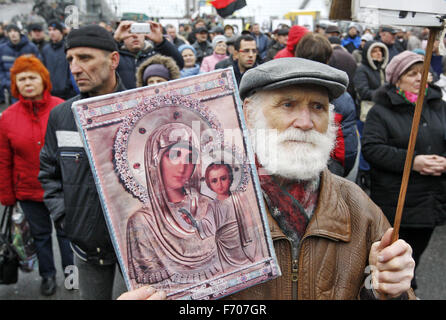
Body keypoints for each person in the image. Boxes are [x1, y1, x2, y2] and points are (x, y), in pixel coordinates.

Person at [121, 57, 416, 300]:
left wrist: (387, 291)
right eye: (288, 104)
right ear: (248, 114)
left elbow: (393, 291)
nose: (305, 122)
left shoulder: (357, 207)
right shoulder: (206, 206)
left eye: (318, 107)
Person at [39, 25, 126, 300]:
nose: (75, 68)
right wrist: (67, 219)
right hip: (86, 247)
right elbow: (48, 173)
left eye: (85, 58)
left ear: (113, 60)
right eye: (70, 60)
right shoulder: (62, 116)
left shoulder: (141, 108)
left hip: (139, 250)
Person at [361, 50, 446, 290]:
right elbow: (372, 149)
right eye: (412, 73)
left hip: (431, 200)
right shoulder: (381, 111)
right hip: (397, 201)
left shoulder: (439, 106)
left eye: (424, 73)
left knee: (413, 260)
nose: (421, 78)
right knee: (391, 264)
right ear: (396, 79)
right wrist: (413, 161)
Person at [0, 55, 73, 296]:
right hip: (29, 191)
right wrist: (7, 194)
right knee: (41, 236)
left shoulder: (62, 107)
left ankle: (72, 276)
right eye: (21, 79)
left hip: (62, 189)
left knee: (67, 234)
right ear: (15, 84)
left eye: (32, 77)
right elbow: (4, 160)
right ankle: (48, 276)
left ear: (43, 79)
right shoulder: (7, 117)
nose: (27, 82)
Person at [126, 123, 219, 288]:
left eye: (190, 158)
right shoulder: (143, 221)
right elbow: (153, 288)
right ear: (156, 161)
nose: (183, 167)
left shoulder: (208, 205)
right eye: (175, 155)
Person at [295, 32, 358, 179]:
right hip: (327, 173)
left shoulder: (284, 91)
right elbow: (347, 150)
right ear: (329, 58)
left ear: (297, 55)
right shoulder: (342, 96)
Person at [353, 40, 389, 192]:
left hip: (382, 111)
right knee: (365, 141)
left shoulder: (384, 69)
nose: (378, 54)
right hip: (366, 113)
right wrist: (385, 94)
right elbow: (363, 91)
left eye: (380, 51)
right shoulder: (362, 70)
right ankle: (364, 171)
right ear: (368, 54)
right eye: (374, 51)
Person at [114, 20, 184, 90]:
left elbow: (179, 64)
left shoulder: (155, 54)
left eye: (139, 32)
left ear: (144, 35)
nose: (135, 36)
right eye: (130, 32)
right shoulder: (115, 57)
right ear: (122, 37)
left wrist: (162, 42)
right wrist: (114, 39)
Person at [0, 24, 41, 104]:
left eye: (15, 31)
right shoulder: (2, 49)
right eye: (10, 32)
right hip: (12, 89)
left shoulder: (31, 47)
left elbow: (39, 66)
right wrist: (6, 83)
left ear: (19, 32)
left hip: (30, 88)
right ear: (7, 34)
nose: (13, 34)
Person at [41, 20, 77, 100]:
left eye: (54, 29)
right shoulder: (46, 50)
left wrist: (69, 86)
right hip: (51, 93)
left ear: (61, 32)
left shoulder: (69, 47)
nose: (51, 32)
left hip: (68, 93)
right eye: (49, 30)